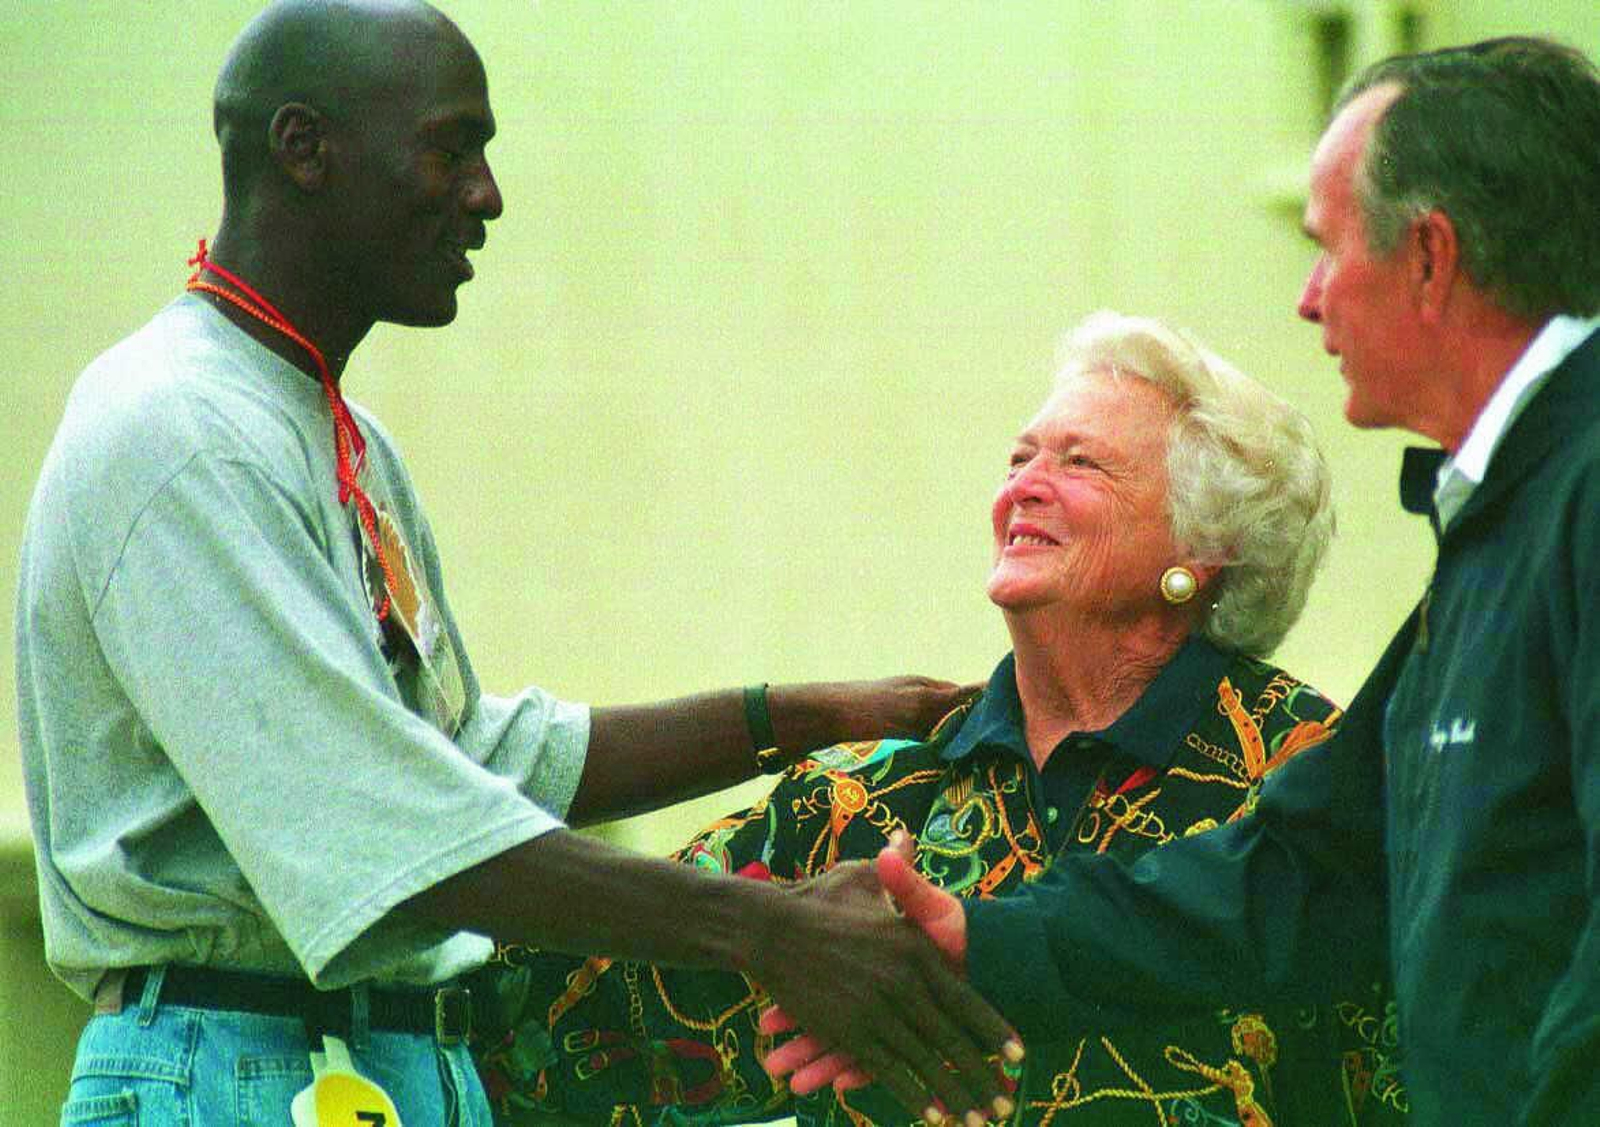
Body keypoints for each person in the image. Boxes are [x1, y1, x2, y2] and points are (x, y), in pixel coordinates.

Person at [13, 2, 1019, 1123]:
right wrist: (770, 931)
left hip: (376, 1060)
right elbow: (380, 830)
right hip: (232, 1064)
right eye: (451, 148)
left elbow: (468, 762)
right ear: (304, 148)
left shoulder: (335, 433)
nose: (487, 195)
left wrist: (819, 714)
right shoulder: (181, 431)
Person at [768, 36, 1600, 1127]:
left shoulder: (1578, 495)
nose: (1307, 299)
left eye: (1326, 247)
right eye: (1023, 455)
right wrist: (983, 941)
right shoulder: (1510, 518)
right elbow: (1316, 876)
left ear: (1430, 257)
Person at [467, 312, 1406, 1126]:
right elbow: (525, 1038)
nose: (1023, 486)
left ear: (1204, 549)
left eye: (1080, 461)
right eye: (1020, 457)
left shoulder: (1310, 774)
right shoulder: (861, 802)